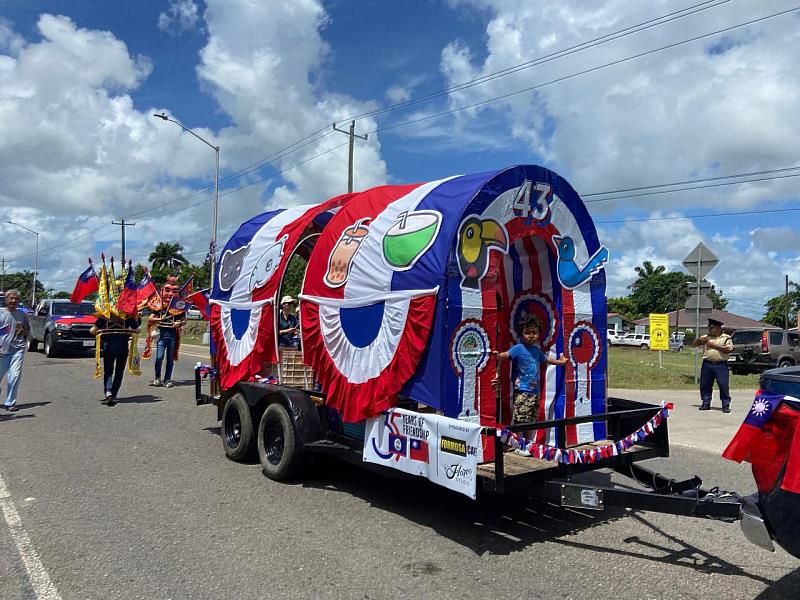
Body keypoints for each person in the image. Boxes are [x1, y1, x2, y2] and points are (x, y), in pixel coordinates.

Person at [493, 315, 568, 456]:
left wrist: (561, 362)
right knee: (520, 420)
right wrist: (497, 356)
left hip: (535, 392)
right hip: (522, 391)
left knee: (531, 420)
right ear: (521, 334)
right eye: (528, 333)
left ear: (539, 334)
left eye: (535, 332)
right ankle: (518, 445)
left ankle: (527, 444)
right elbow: (505, 355)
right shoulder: (518, 348)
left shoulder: (536, 351)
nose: (532, 336)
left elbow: (547, 360)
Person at [90, 312, 140, 406]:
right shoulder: (127, 317)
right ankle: (114, 393)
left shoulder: (105, 317)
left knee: (108, 371)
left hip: (108, 347)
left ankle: (108, 391)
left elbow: (92, 330)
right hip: (122, 347)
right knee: (119, 371)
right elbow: (138, 330)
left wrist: (101, 332)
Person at [692, 317, 734, 413]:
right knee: (705, 384)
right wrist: (699, 340)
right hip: (707, 364)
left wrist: (712, 345)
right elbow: (694, 345)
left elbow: (729, 349)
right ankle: (706, 402)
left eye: (712, 328)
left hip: (721, 365)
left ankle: (725, 404)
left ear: (718, 328)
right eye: (709, 328)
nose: (710, 330)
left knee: (723, 385)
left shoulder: (725, 338)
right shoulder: (706, 337)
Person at [149, 280, 186, 388]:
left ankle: (168, 379)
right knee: (159, 357)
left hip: (173, 336)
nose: (170, 293)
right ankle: (157, 377)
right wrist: (160, 318)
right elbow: (151, 319)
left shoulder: (179, 307)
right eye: (167, 290)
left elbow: (184, 320)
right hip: (161, 334)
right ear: (162, 291)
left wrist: (179, 322)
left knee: (170, 359)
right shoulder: (159, 305)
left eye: (174, 291)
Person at [0, 290, 30, 412]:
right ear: (6, 300)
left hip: (17, 349)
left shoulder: (22, 315)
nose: (13, 301)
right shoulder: (1, 313)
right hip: (2, 351)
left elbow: (27, 332)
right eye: (11, 298)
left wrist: (22, 330)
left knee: (15, 376)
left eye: (16, 299)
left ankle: (10, 403)